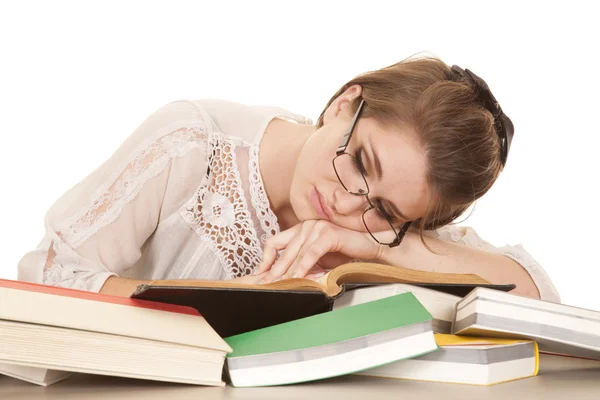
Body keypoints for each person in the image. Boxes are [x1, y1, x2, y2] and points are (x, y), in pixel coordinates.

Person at [17, 55, 560, 302]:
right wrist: (217, 301)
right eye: (361, 162)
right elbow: (47, 274)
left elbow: (537, 295)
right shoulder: (192, 143)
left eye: (387, 211)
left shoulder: (378, 232)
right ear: (345, 103)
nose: (350, 207)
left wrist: (375, 245)